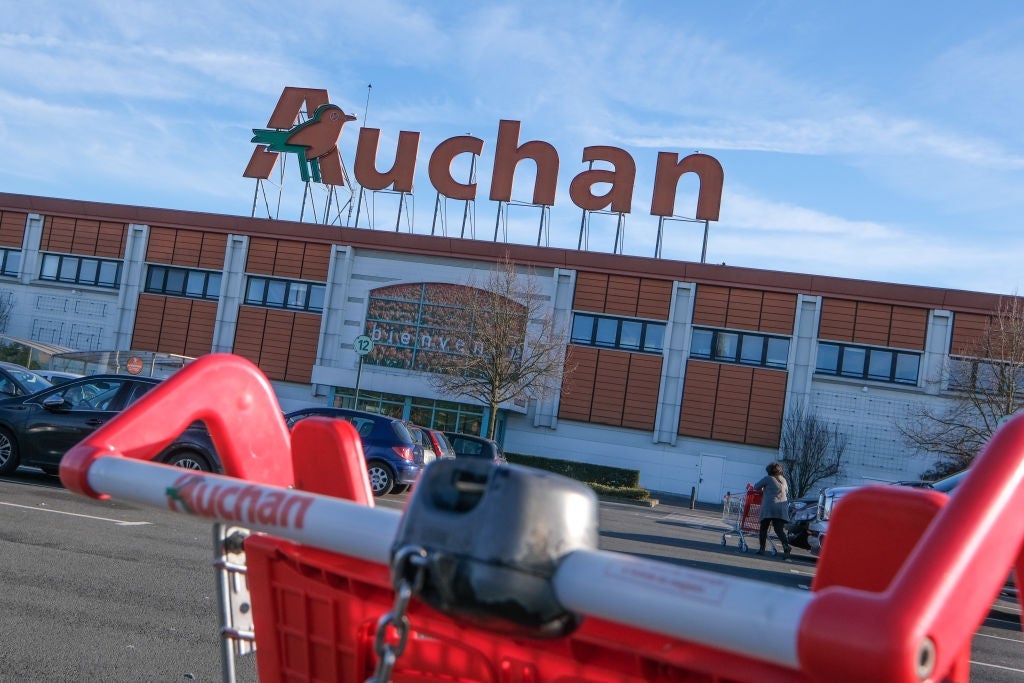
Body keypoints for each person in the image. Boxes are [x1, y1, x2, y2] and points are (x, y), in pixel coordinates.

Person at [752, 461, 792, 559]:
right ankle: (786, 546)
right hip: (781, 507)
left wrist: (764, 489)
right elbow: (786, 491)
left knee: (764, 528)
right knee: (778, 529)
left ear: (769, 471)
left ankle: (762, 549)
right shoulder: (783, 480)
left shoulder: (768, 478)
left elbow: (756, 487)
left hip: (769, 507)